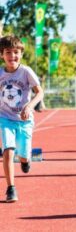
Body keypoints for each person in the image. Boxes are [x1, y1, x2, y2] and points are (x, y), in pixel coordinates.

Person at [0, 35, 44, 202]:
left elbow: (40, 92)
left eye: (16, 52)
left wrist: (29, 106)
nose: (12, 56)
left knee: (23, 155)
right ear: (2, 55)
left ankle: (26, 161)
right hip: (4, 118)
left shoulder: (26, 71)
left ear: (21, 54)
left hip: (24, 120)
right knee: (8, 151)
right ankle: (11, 188)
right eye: (8, 52)